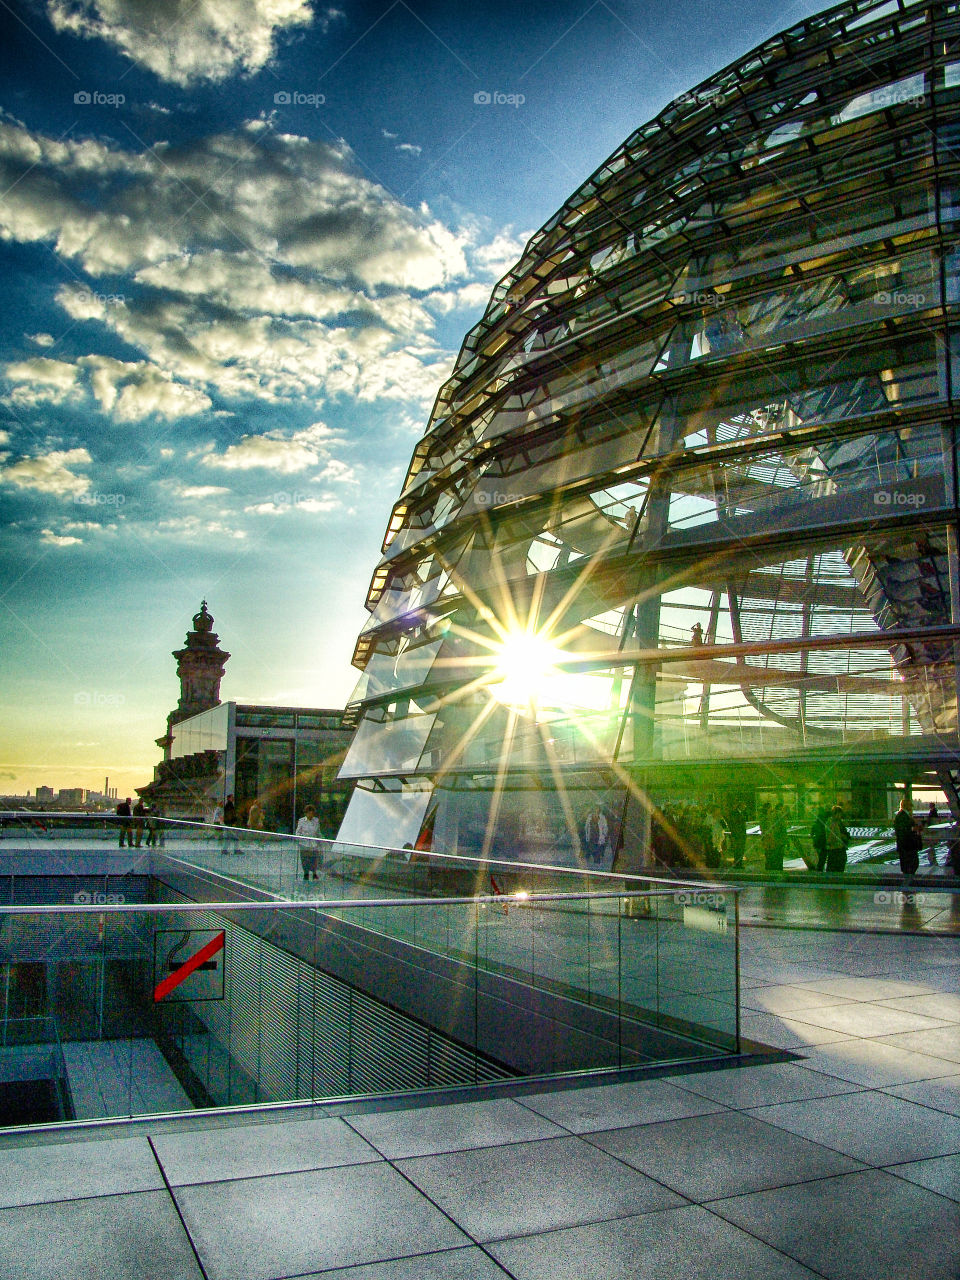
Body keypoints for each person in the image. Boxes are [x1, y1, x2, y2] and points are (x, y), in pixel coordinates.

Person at [894, 796, 921, 877]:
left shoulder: (900, 815)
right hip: (908, 846)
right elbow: (904, 831)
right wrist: (914, 829)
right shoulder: (903, 816)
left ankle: (908, 881)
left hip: (905, 846)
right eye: (910, 805)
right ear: (907, 806)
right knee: (911, 865)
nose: (911, 807)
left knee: (908, 866)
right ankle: (909, 881)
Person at [296, 804, 322, 881]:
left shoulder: (316, 820)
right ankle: (306, 874)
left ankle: (314, 873)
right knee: (305, 860)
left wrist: (321, 839)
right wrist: (301, 838)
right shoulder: (301, 821)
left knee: (314, 859)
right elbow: (298, 832)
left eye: (312, 813)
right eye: (309, 813)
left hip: (314, 844)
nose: (311, 815)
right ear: (306, 813)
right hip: (304, 844)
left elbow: (318, 832)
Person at [824, 804, 850, 874]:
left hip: (838, 847)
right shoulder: (832, 823)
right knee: (835, 867)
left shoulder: (837, 822)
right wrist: (842, 836)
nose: (840, 816)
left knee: (836, 867)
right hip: (835, 848)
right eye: (839, 814)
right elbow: (833, 835)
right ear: (835, 814)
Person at [726, 803, 747, 868]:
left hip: (740, 834)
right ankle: (738, 864)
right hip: (738, 834)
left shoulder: (740, 813)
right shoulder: (735, 814)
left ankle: (739, 863)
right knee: (739, 849)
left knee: (740, 850)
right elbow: (735, 824)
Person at [810, 806, 829, 873]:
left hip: (817, 844)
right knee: (822, 857)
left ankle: (819, 868)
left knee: (819, 857)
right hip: (823, 844)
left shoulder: (815, 824)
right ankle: (820, 869)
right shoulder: (824, 825)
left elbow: (811, 834)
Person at [924, 802, 940, 867]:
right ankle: (933, 859)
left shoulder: (932, 812)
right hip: (933, 830)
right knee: (932, 846)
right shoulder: (934, 812)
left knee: (931, 845)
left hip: (932, 831)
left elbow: (930, 820)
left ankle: (932, 860)